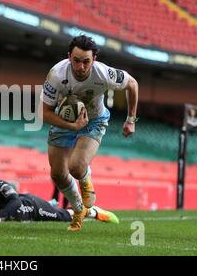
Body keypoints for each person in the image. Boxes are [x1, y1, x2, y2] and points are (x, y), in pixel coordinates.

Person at [41, 35, 138, 232]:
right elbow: (44, 113)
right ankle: (79, 209)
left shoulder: (105, 73)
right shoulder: (56, 75)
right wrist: (72, 126)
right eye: (76, 61)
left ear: (94, 59)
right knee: (58, 175)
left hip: (95, 120)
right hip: (65, 120)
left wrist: (130, 120)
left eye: (86, 61)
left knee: (76, 167)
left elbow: (132, 84)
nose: (81, 66)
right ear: (69, 57)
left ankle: (85, 183)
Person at [0, 162, 119, 224]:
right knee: (61, 212)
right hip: (21, 212)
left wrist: (0, 218)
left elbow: (14, 201)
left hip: (32, 207)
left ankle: (93, 212)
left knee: (63, 216)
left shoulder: (1, 186)